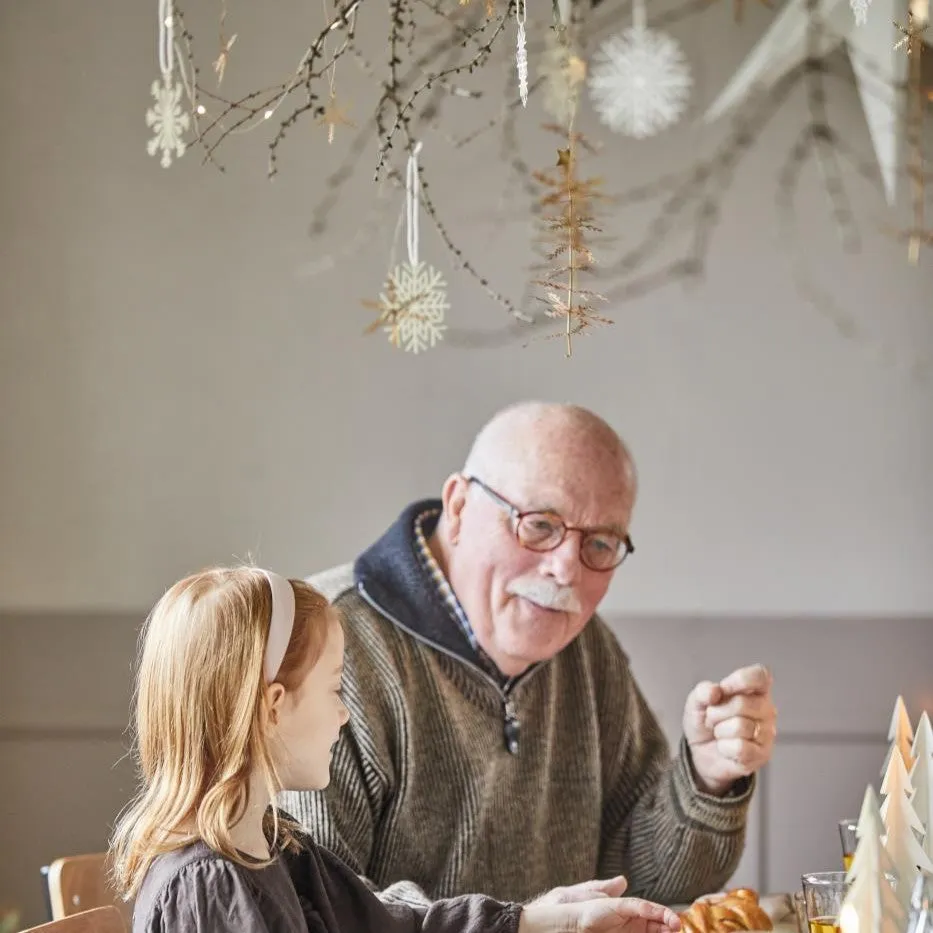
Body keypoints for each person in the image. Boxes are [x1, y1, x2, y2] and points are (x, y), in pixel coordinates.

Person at [281, 402, 778, 908]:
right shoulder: (323, 646)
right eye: (539, 525)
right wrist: (515, 926)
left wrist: (707, 779)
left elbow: (648, 888)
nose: (566, 570)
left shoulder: (587, 648)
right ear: (458, 508)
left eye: (601, 544)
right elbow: (315, 906)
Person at [109, 565, 683, 933]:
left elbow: (392, 926)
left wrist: (544, 920)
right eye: (335, 689)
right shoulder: (211, 886)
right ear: (272, 705)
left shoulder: (272, 845)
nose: (343, 714)